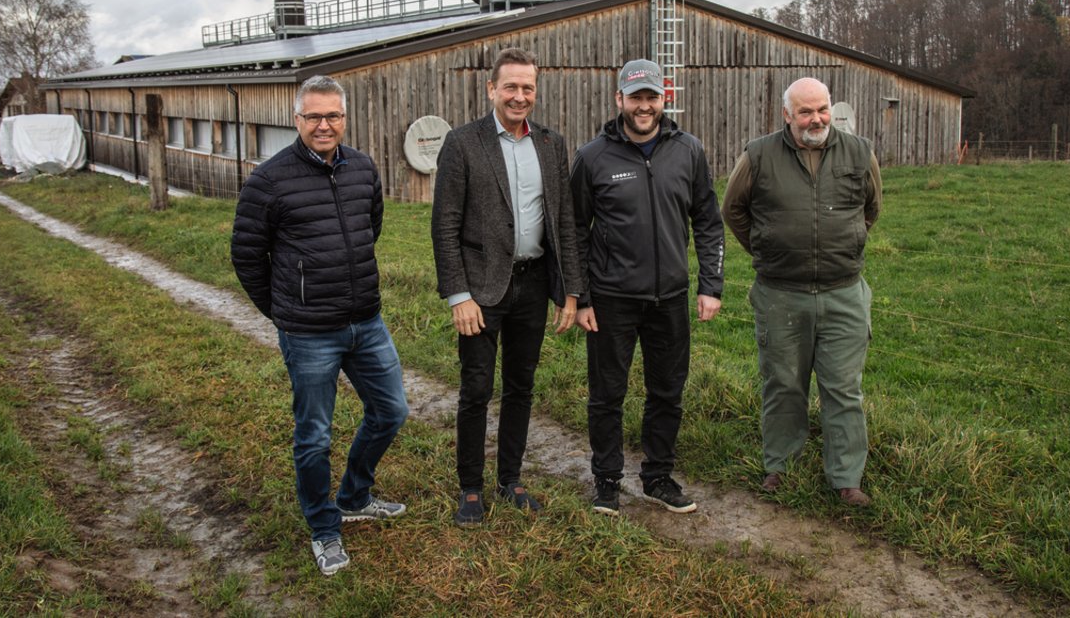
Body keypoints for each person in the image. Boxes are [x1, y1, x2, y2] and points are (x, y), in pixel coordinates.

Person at [231, 75, 409, 576]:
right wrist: (286, 311)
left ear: (345, 119)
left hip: (366, 321)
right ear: (297, 120)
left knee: (391, 411)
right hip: (309, 333)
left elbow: (369, 228)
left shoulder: (363, 169)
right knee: (314, 436)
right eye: (314, 116)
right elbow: (247, 258)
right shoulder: (268, 180)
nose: (324, 124)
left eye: (333, 115)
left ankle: (354, 495)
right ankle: (324, 528)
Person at [431, 47, 582, 526]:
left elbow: (564, 222)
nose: (520, 96)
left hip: (533, 285)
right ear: (491, 89)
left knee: (521, 386)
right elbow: (444, 225)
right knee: (476, 388)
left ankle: (510, 479)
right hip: (481, 290)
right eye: (511, 87)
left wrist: (570, 291)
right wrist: (459, 295)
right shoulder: (462, 143)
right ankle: (471, 488)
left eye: (528, 88)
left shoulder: (552, 144)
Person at [571, 58, 725, 515]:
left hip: (670, 299)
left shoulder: (689, 151)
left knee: (667, 391)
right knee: (607, 394)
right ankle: (607, 481)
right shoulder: (592, 157)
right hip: (612, 300)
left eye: (651, 97)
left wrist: (710, 284)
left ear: (664, 98)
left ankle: (658, 477)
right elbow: (575, 232)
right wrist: (582, 298)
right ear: (619, 99)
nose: (644, 106)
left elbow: (709, 223)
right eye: (635, 97)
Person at [722, 76, 881, 507]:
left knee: (843, 388)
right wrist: (767, 247)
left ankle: (846, 478)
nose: (817, 119)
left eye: (823, 109)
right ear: (787, 115)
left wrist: (845, 242)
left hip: (843, 291)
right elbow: (732, 208)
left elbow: (870, 209)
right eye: (806, 111)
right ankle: (780, 466)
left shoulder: (858, 152)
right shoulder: (758, 155)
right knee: (784, 384)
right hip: (780, 293)